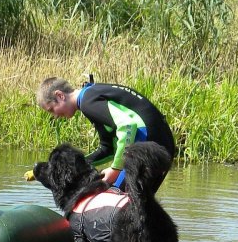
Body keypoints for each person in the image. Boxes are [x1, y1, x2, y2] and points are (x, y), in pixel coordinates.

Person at [35, 76, 175, 191]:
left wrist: (115, 169)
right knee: (136, 205)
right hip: (162, 145)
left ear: (60, 96)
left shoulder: (87, 102)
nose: (55, 116)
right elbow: (107, 149)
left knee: (116, 196)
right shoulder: (90, 96)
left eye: (52, 110)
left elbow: (127, 126)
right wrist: (74, 166)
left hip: (148, 147)